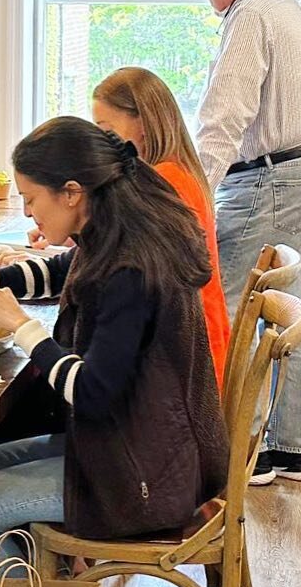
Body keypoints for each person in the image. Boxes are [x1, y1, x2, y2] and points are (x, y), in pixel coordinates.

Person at [0, 117, 227, 574]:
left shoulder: (131, 270)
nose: (29, 212)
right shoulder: (119, 232)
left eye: (31, 199)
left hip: (146, 473)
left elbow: (92, 392)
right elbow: (62, 269)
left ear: (71, 192)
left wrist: (23, 328)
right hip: (145, 445)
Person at [197, 0, 301, 485]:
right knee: (286, 306)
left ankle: (240, 453)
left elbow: (224, 114)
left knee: (229, 308)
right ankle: (294, 449)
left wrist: (197, 191)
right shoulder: (285, 7)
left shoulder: (250, 14)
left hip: (269, 181)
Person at [92, 66, 231, 386]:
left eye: (107, 131)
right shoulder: (176, 171)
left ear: (142, 123)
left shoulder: (164, 181)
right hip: (200, 343)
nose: (103, 142)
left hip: (187, 364)